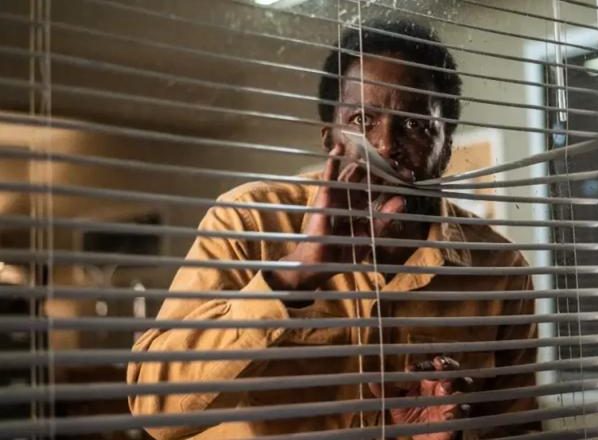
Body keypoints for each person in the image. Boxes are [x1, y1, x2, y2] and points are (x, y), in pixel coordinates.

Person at [128, 19, 537, 440]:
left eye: (415, 124)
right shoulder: (250, 221)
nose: (385, 145)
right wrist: (294, 275)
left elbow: (516, 427)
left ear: (446, 145)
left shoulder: (499, 270)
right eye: (362, 119)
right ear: (330, 140)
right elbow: (155, 408)